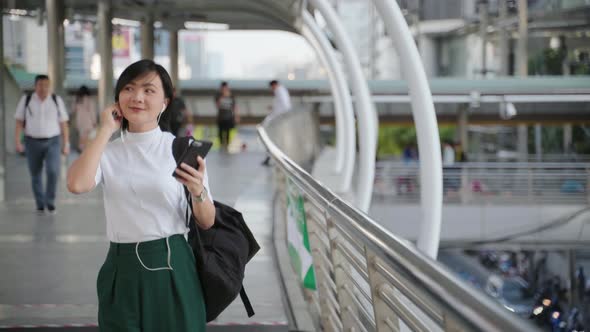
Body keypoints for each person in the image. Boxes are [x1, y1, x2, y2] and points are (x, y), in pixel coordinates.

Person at [66, 59, 215, 331]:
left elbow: (207, 221)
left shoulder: (180, 149)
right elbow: (77, 184)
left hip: (172, 262)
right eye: (129, 88)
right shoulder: (106, 151)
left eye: (148, 90)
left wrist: (198, 192)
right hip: (120, 266)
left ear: (165, 103)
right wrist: (105, 131)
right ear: (118, 98)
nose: (137, 97)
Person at [14, 74, 70, 214]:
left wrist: (66, 143)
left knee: (53, 171)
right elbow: (19, 122)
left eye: (46, 85)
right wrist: (17, 142)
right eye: (40, 85)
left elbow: (63, 124)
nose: (43, 88)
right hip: (32, 141)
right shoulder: (26, 100)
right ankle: (40, 204)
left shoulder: (56, 100)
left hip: (53, 141)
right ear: (35, 86)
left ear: (49, 86)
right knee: (35, 173)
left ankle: (50, 202)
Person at [262, 80, 291, 166]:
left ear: (274, 85)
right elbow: (282, 105)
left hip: (278, 120)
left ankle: (271, 158)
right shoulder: (281, 90)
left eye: (272, 87)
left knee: (271, 138)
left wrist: (282, 117)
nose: (272, 89)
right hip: (278, 119)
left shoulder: (279, 90)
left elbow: (285, 105)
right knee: (274, 139)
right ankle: (270, 158)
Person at [215, 81, 238, 151]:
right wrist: (223, 96)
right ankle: (221, 145)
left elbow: (234, 107)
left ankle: (227, 145)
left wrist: (236, 116)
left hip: (229, 116)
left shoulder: (231, 96)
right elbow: (217, 105)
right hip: (221, 117)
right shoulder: (218, 95)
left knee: (228, 132)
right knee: (220, 132)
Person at [73, 85, 97, 152]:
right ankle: (85, 152)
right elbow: (92, 112)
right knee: (88, 138)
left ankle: (81, 150)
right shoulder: (89, 100)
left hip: (79, 122)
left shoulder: (77, 100)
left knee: (82, 137)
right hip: (88, 122)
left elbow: (74, 111)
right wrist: (94, 122)